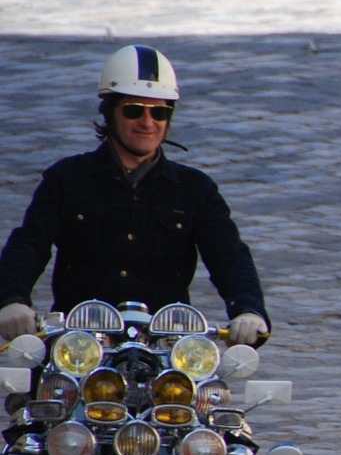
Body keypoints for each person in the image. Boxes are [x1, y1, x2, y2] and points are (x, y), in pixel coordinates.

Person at [0, 45, 268, 344]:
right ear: (110, 112)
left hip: (166, 352)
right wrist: (12, 299)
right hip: (77, 348)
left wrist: (248, 310)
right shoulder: (66, 179)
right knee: (37, 388)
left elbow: (229, 256)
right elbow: (29, 244)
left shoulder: (196, 189)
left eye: (160, 112)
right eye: (134, 110)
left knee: (214, 391)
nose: (148, 122)